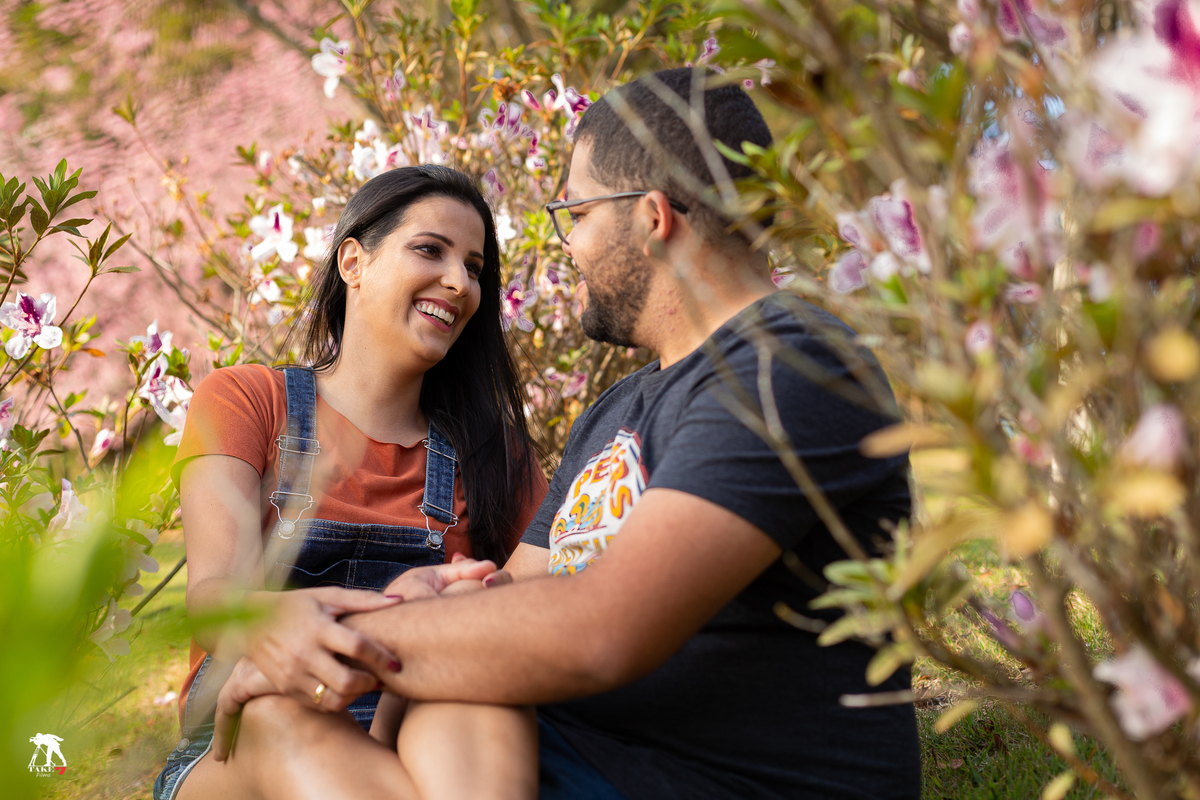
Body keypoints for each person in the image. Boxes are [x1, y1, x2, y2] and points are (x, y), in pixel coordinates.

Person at [213, 67, 922, 799]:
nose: (569, 246)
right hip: (573, 761)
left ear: (652, 217)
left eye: (577, 213)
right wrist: (435, 601)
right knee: (356, 706)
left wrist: (331, 644)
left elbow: (602, 630)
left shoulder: (788, 364)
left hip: (712, 780)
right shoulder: (617, 411)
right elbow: (507, 601)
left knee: (292, 719)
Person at [153, 165, 547, 800]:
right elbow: (217, 599)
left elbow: (546, 604)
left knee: (475, 693)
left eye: (474, 267)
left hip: (406, 726)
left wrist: (463, 600)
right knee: (285, 713)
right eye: (430, 250)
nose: (459, 281)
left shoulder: (492, 452)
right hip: (242, 734)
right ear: (353, 262)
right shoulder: (248, 401)